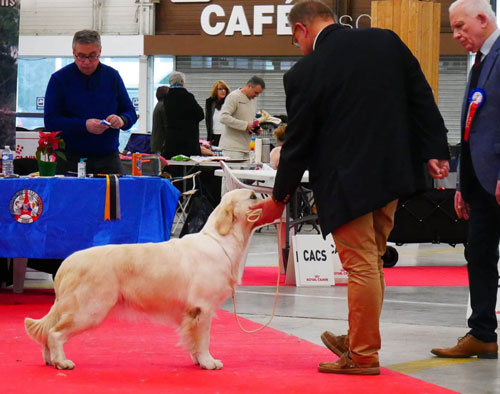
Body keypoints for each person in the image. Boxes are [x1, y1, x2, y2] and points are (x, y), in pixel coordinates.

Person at [250, 0, 450, 375]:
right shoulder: (387, 42)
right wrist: (436, 149)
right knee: (371, 262)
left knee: (360, 266)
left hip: (347, 182)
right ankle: (359, 335)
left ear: (301, 30)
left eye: (295, 40)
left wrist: (279, 198)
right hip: (392, 175)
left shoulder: (305, 72)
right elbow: (421, 97)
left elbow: (298, 144)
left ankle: (362, 353)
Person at [431, 0, 500, 360]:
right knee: (479, 254)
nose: (456, 35)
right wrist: (464, 184)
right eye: (453, 28)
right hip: (481, 183)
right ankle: (482, 333)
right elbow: (475, 127)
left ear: (482, 18)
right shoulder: (480, 62)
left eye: (460, 27)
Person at [44, 29, 137, 175]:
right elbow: (51, 121)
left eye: (93, 56)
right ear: (73, 52)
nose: (86, 62)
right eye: (81, 56)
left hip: (108, 160)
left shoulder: (112, 77)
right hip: (69, 160)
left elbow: (129, 111)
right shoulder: (59, 79)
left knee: (115, 198)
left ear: (100, 51)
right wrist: (84, 125)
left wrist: (122, 120)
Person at [219, 76, 265, 160]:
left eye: (259, 93)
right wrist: (246, 125)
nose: (257, 95)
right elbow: (223, 117)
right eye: (256, 92)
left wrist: (256, 127)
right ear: (249, 86)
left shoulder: (253, 100)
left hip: (247, 148)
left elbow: (251, 118)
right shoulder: (234, 97)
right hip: (232, 149)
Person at [161, 71, 205, 160]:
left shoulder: (166, 98)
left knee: (174, 168)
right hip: (188, 141)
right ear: (183, 82)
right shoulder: (187, 96)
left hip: (172, 142)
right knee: (188, 168)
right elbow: (200, 115)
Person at [205, 80, 230, 146]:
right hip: (214, 136)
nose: (223, 91)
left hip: (227, 136)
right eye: (220, 89)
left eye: (224, 89)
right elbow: (208, 121)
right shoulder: (209, 103)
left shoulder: (229, 102)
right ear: (215, 91)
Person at [151, 85, 169, 155]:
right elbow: (166, 125)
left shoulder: (158, 105)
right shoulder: (163, 106)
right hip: (161, 144)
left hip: (156, 143)